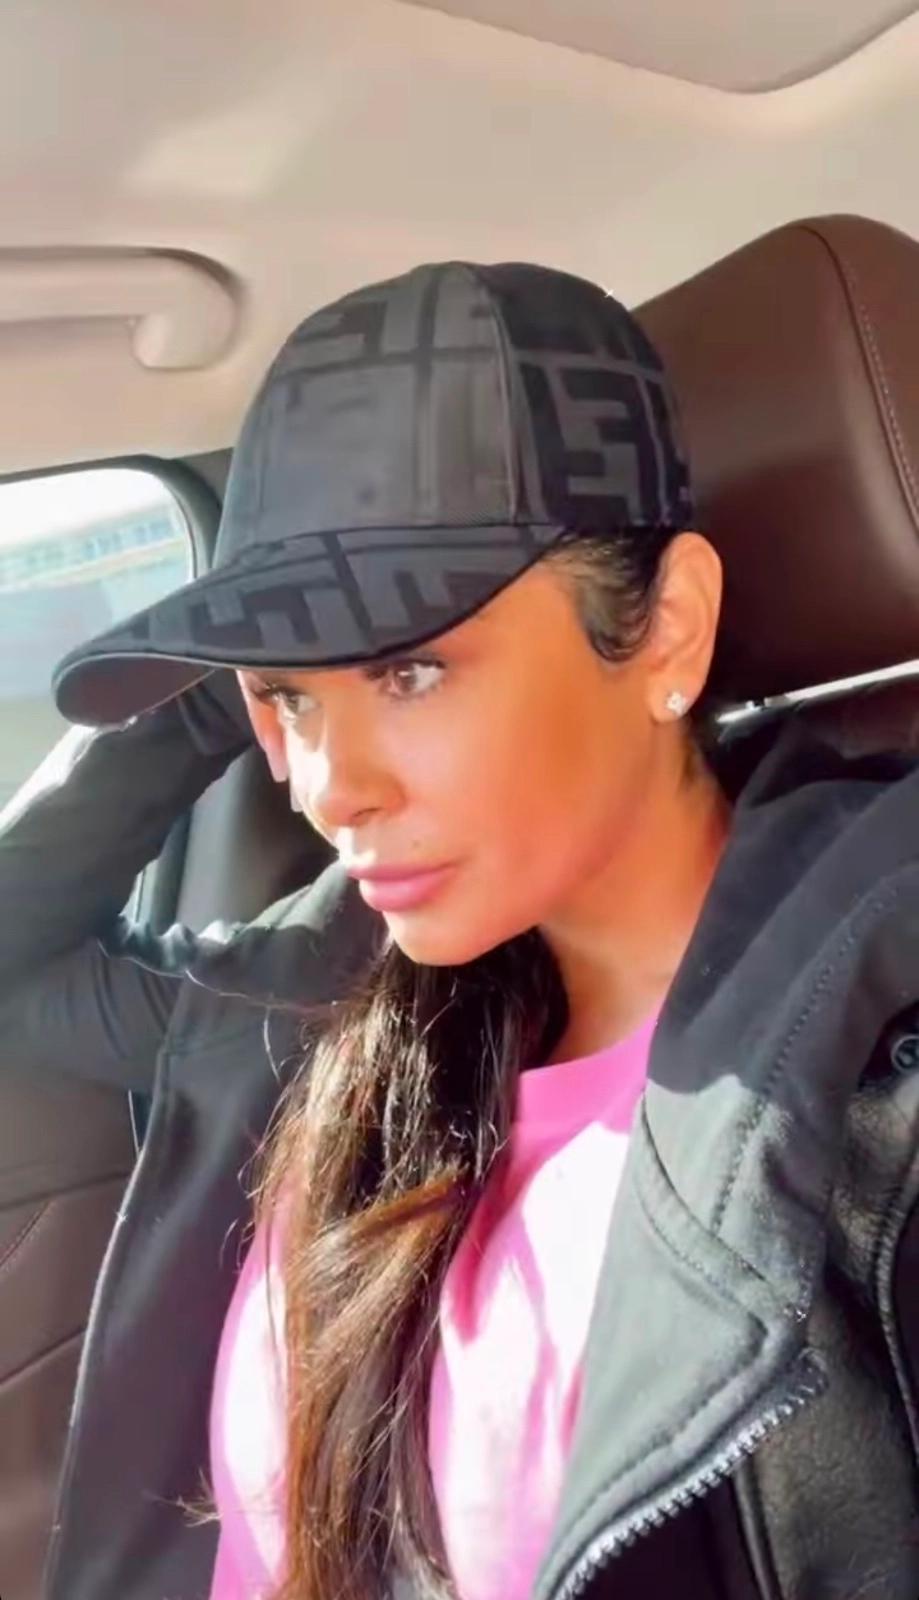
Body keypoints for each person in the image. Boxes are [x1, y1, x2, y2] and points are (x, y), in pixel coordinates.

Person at [13, 262, 919, 1600]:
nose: (329, 789)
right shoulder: (338, 991)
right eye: (291, 702)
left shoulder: (872, 1085)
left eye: (411, 668)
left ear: (668, 631)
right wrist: (224, 674)